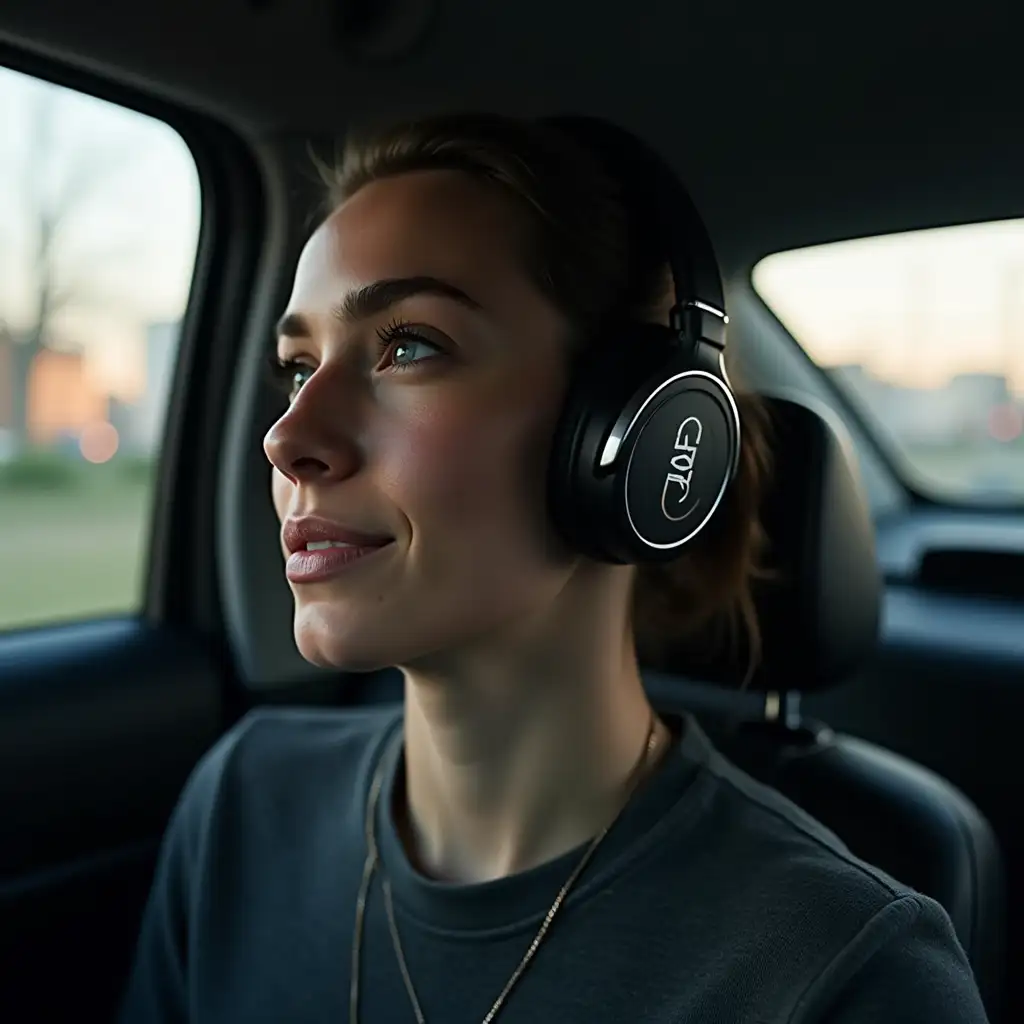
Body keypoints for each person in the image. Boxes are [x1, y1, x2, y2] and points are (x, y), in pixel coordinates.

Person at [117, 113, 989, 1023]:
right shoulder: (241, 809)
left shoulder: (845, 972)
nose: (288, 436)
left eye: (409, 345)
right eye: (299, 369)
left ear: (631, 433)